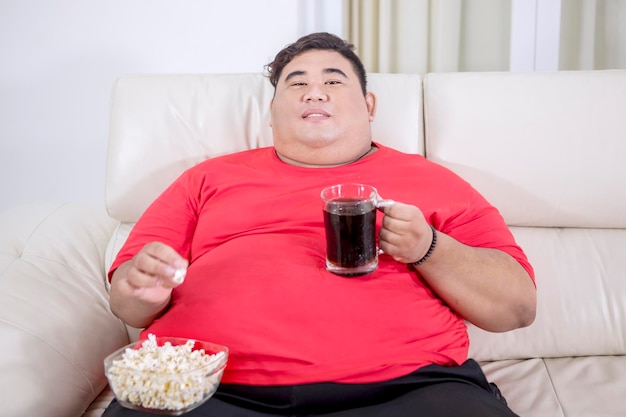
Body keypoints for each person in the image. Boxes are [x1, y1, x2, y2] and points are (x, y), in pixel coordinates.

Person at [104, 32, 536, 417]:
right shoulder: (206, 178)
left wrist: (430, 248)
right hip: (205, 386)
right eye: (297, 83)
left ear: (369, 106)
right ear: (272, 112)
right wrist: (142, 288)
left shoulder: (432, 180)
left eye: (333, 81)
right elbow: (128, 303)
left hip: (404, 388)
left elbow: (517, 307)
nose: (314, 93)